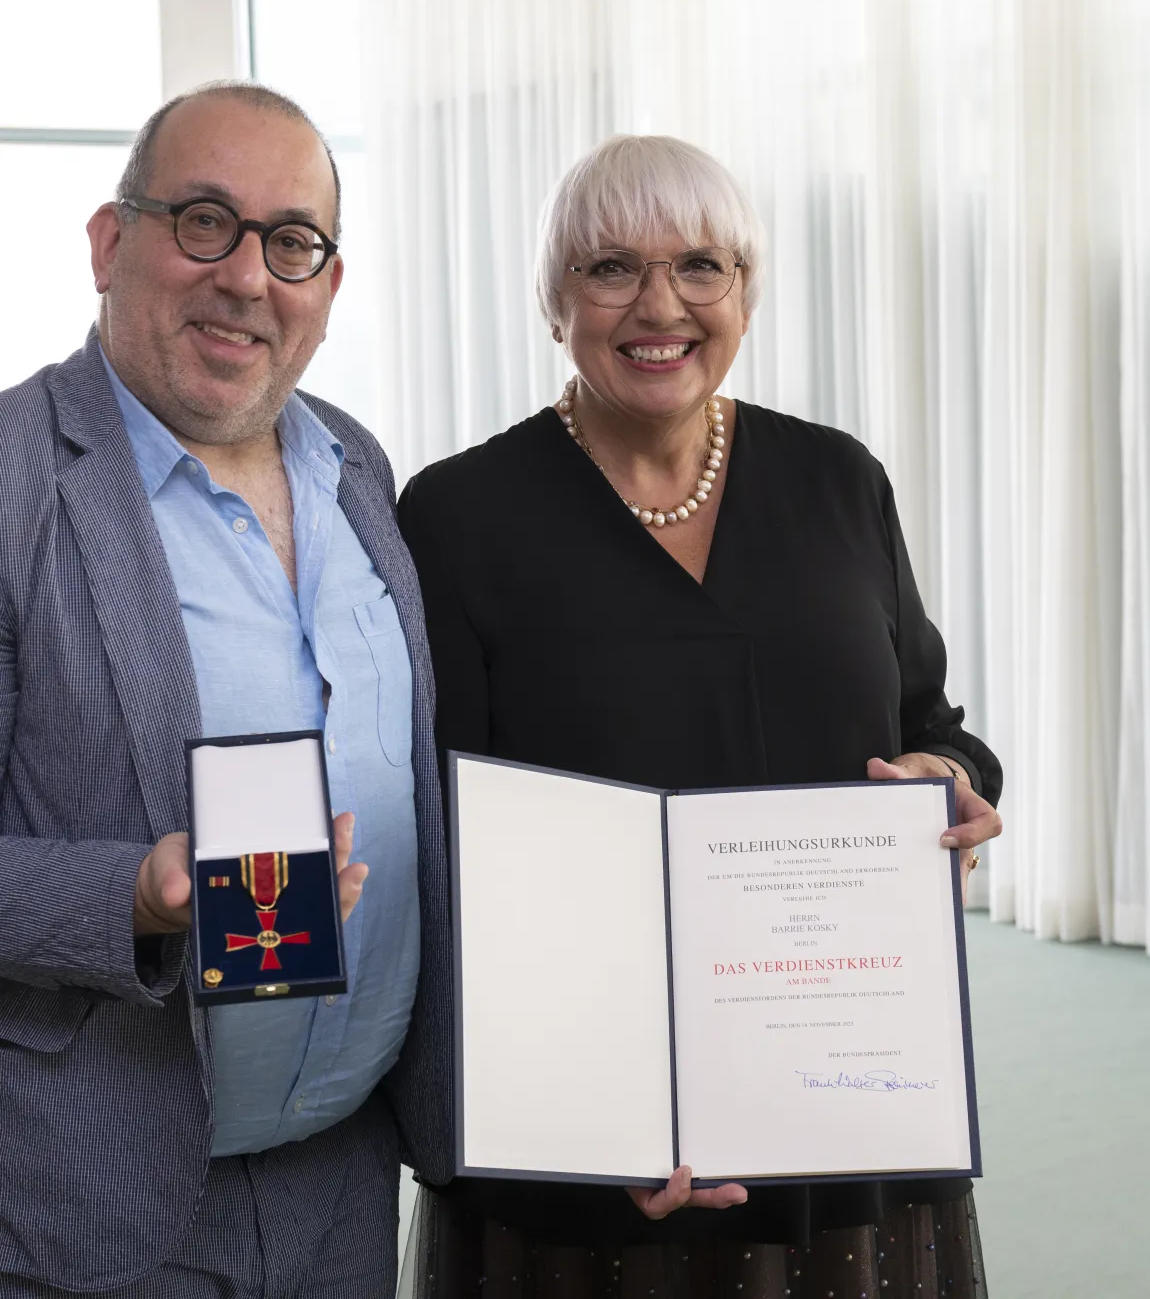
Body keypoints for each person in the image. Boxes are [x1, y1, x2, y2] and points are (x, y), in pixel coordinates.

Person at [397, 134, 1003, 1299]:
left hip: (846, 1110)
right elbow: (449, 840)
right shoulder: (460, 514)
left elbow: (935, 718)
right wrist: (579, 1114)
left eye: (700, 266)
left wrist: (951, 774)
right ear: (552, 300)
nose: (658, 305)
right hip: (586, 1141)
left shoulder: (840, 481)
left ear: (746, 290)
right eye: (609, 267)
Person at [0, 81, 450, 1297]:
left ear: (328, 284)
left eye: (290, 240)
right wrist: (135, 894)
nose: (247, 276)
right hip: (92, 1205)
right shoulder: (11, 484)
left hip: (348, 1189)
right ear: (110, 242)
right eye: (205, 220)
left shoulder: (357, 466)